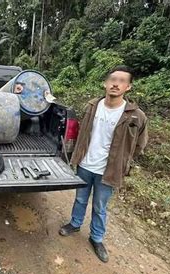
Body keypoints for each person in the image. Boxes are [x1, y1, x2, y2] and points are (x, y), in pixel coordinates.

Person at [59, 65, 148, 263]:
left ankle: (96, 238)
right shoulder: (92, 106)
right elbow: (82, 133)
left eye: (122, 81)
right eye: (113, 79)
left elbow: (140, 144)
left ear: (128, 87)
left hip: (109, 171)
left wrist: (124, 161)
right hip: (85, 164)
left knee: (100, 206)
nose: (116, 84)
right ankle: (75, 224)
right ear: (105, 83)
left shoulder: (136, 115)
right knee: (80, 199)